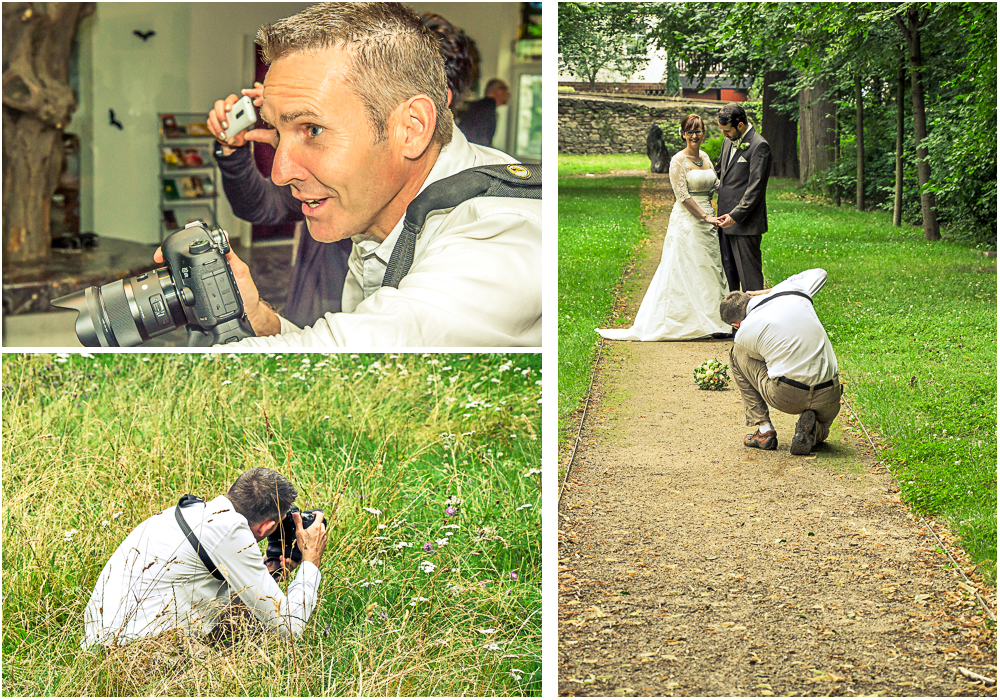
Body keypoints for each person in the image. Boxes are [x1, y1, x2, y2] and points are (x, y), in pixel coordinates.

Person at [168, 2, 541, 347]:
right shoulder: (379, 217)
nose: (280, 173)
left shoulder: (497, 238)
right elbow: (362, 358)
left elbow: (358, 356)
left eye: (313, 129)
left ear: (412, 127)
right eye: (279, 132)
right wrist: (260, 318)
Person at [206, 11, 476, 330]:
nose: (282, 172)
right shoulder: (327, 175)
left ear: (415, 120)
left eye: (314, 128)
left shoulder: (475, 240)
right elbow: (261, 206)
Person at [81, 467, 328, 649]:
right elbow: (289, 627)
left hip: (98, 643)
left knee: (245, 612)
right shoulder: (231, 530)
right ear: (265, 528)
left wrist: (271, 569)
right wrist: (310, 561)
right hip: (134, 655)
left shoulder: (195, 511)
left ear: (231, 488)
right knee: (257, 627)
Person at [597, 114, 731, 341]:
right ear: (683, 134)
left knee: (709, 269)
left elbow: (717, 185)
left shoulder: (706, 158)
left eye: (698, 130)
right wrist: (704, 217)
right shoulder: (678, 161)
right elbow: (683, 195)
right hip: (688, 221)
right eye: (690, 131)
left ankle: (714, 321)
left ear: (704, 132)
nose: (694, 135)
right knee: (688, 268)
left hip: (709, 217)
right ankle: (683, 321)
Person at [719, 268, 843, 455]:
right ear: (750, 299)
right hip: (829, 392)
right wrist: (772, 290)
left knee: (737, 355)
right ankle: (813, 431)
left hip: (788, 395)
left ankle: (764, 431)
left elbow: (763, 362)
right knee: (823, 429)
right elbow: (821, 273)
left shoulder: (744, 333)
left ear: (736, 324)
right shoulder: (795, 290)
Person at [715, 102, 771, 293]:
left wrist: (735, 216)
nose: (724, 135)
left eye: (727, 130)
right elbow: (719, 173)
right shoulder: (727, 142)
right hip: (724, 222)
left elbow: (755, 189)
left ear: (740, 125)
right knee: (729, 277)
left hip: (745, 225)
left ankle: (755, 319)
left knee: (750, 281)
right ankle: (735, 321)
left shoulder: (759, 146)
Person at [458, 78, 510, 147]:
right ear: (497, 91)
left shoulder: (479, 107)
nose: (508, 95)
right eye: (505, 90)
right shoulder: (487, 108)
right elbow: (482, 139)